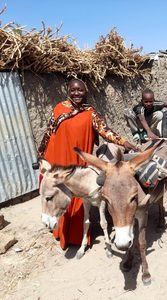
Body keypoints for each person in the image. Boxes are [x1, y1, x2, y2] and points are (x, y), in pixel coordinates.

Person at [38, 78, 137, 250]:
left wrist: (123, 142)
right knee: (58, 196)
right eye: (73, 90)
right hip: (58, 158)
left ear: (86, 92)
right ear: (68, 90)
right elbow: (48, 133)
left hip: (77, 161)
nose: (76, 93)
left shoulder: (90, 113)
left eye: (80, 90)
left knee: (77, 198)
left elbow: (105, 131)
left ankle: (77, 237)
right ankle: (60, 232)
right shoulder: (58, 109)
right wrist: (41, 153)